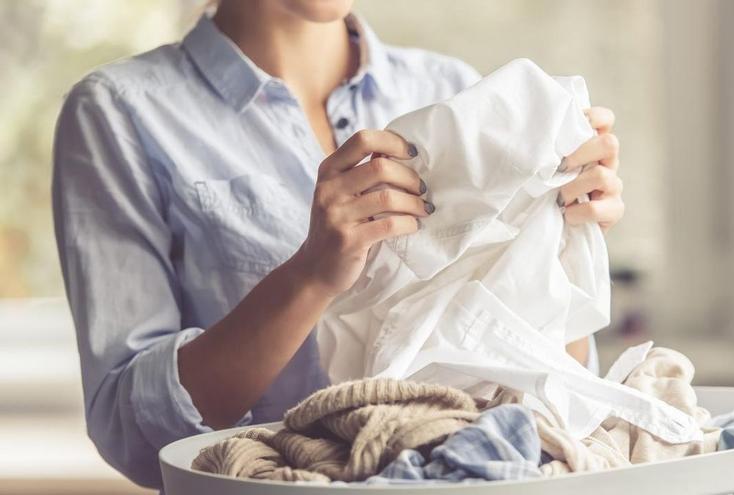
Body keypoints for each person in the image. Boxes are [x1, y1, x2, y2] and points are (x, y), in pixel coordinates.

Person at [52, 0, 624, 487]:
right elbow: (132, 434)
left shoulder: (455, 90)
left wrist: (563, 239)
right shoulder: (118, 112)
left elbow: (554, 393)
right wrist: (311, 275)